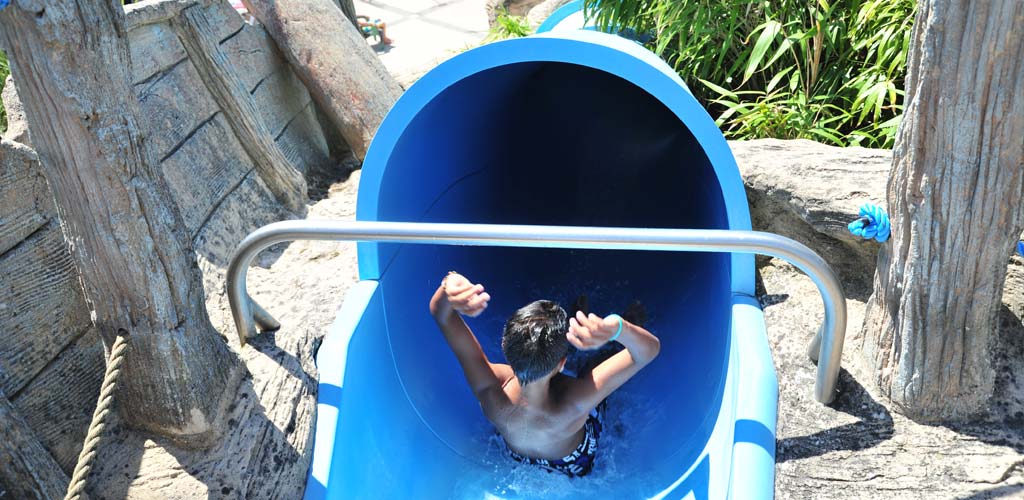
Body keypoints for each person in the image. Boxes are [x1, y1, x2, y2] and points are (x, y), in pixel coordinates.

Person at [429, 272, 660, 477]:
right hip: (573, 463)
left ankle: (579, 324)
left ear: (505, 346)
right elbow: (648, 352)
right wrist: (618, 328)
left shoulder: (491, 391)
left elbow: (442, 315)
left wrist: (449, 285)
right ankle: (594, 329)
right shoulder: (576, 402)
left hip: (519, 458)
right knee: (593, 367)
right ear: (562, 363)